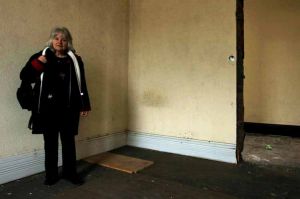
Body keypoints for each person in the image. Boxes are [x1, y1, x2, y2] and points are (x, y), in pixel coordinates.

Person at [20, 27, 91, 186]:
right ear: (51, 40)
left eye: (64, 39)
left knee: (68, 143)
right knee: (50, 143)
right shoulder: (42, 56)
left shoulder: (75, 59)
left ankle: (70, 173)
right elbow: (25, 76)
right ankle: (51, 175)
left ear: (68, 42)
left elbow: (82, 83)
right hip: (47, 109)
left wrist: (84, 104)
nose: (60, 41)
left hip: (69, 108)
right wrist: (38, 63)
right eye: (56, 38)